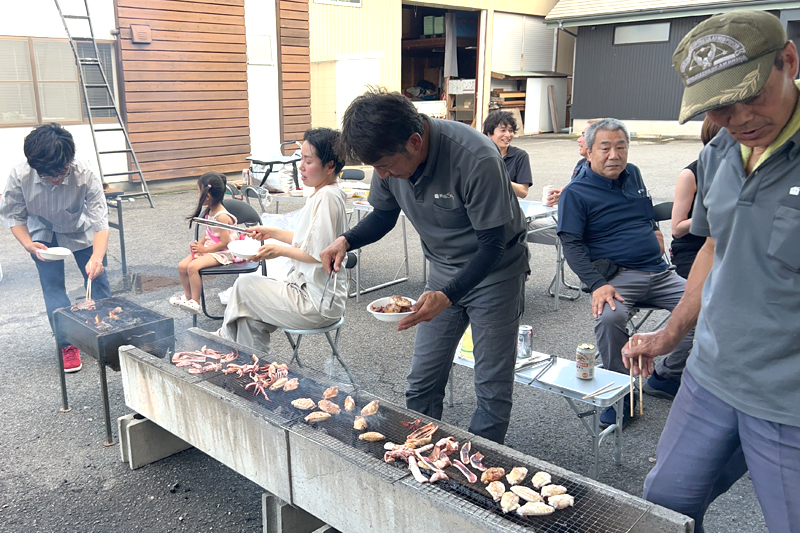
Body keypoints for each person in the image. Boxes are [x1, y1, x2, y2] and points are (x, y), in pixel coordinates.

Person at [624, 11, 800, 532]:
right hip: (711, 375)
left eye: (752, 96)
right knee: (663, 505)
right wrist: (671, 331)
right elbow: (715, 247)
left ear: (788, 61)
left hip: (788, 398)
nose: (741, 118)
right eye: (721, 107)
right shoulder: (721, 151)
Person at [321, 88, 529, 444]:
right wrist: (347, 239)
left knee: (491, 386)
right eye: (376, 168)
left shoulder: (476, 158)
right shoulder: (387, 158)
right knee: (422, 381)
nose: (382, 175)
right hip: (442, 271)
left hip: (496, 273)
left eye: (384, 166)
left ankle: (477, 471)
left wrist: (447, 295)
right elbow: (384, 216)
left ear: (415, 142)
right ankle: (421, 455)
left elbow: (492, 245)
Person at [557, 118, 694, 426]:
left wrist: (654, 230)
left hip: (659, 271)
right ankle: (621, 391)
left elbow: (644, 213)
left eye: (621, 147)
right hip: (619, 277)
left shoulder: (633, 174)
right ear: (589, 152)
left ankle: (665, 375)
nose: (614, 155)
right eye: (605, 147)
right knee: (609, 317)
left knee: (706, 305)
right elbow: (572, 244)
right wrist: (597, 285)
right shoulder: (576, 193)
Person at [217, 128, 348, 353]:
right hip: (309, 293)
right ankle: (252, 368)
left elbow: (318, 256)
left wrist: (277, 250)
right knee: (248, 317)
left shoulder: (327, 197)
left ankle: (222, 342)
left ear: (330, 166)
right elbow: (308, 241)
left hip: (316, 303)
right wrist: (271, 232)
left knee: (245, 285)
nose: (301, 167)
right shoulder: (323, 192)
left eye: (308, 161)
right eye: (301, 160)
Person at [0, 123, 111, 373]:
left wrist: (97, 257)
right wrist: (28, 244)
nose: (57, 180)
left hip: (78, 227)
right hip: (42, 231)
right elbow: (12, 215)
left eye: (62, 172)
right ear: (34, 165)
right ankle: (66, 344)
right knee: (53, 287)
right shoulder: (20, 174)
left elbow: (100, 221)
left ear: (69, 159)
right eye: (49, 176)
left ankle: (105, 333)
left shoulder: (84, 172)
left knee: (98, 280)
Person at [170, 172, 242, 315]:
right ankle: (188, 296)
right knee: (182, 266)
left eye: (199, 192)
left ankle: (195, 302)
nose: (198, 195)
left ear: (207, 196)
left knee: (193, 267)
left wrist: (204, 249)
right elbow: (208, 232)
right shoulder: (210, 210)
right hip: (212, 248)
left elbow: (225, 242)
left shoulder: (222, 216)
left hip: (225, 252)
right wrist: (199, 245)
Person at [669, 117, 721, 278]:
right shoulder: (691, 174)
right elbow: (677, 229)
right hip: (693, 249)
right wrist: (713, 213)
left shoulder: (743, 170)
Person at [482, 110, 532, 199]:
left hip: (507, 208)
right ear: (489, 134)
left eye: (511, 130)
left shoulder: (520, 156)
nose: (508, 135)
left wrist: (499, 179)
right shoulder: (479, 155)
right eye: (503, 130)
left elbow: (523, 192)